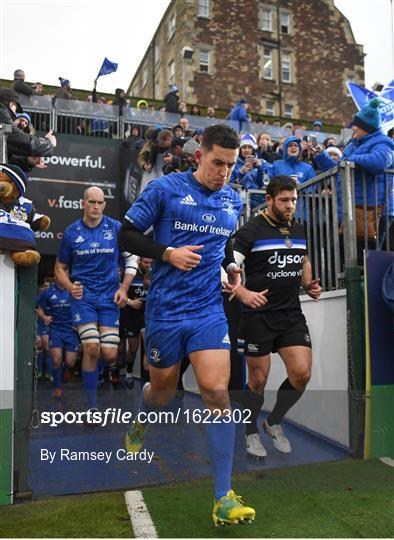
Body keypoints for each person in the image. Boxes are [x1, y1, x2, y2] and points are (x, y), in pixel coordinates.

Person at [118, 124, 255, 526]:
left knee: (215, 390)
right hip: (164, 313)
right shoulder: (165, 189)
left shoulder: (232, 199)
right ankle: (140, 417)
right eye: (217, 163)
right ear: (199, 156)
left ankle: (222, 498)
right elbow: (126, 235)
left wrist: (232, 267)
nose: (224, 173)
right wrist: (167, 253)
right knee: (162, 393)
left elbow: (225, 241)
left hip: (208, 312)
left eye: (230, 166)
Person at [233, 175, 322, 458]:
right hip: (258, 316)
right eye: (284, 200)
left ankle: (273, 421)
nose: (290, 205)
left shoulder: (297, 227)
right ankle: (249, 432)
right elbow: (229, 269)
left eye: (294, 200)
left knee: (301, 374)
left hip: (290, 315)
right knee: (257, 382)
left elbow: (303, 259)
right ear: (269, 200)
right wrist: (243, 293)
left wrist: (308, 284)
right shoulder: (251, 230)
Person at [54, 186, 138, 418]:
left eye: (100, 203)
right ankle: (92, 406)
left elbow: (132, 258)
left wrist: (124, 288)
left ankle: (96, 370)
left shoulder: (115, 228)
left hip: (110, 298)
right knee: (92, 348)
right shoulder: (71, 232)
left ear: (104, 205)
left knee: (110, 355)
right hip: (84, 299)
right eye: (92, 202)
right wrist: (71, 287)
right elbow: (59, 268)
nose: (96, 207)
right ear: (83, 204)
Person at [36, 277, 79, 398]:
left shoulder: (74, 290)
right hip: (55, 330)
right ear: (57, 276)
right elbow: (38, 308)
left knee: (70, 363)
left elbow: (83, 306)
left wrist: (79, 322)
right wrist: (44, 318)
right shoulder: (48, 292)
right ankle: (57, 387)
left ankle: (64, 370)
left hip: (71, 331)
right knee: (56, 360)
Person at [119, 257, 152, 389]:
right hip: (130, 315)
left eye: (150, 263)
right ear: (139, 262)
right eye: (146, 262)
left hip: (146, 315)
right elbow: (120, 293)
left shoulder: (153, 274)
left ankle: (149, 382)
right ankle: (129, 372)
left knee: (148, 345)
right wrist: (131, 302)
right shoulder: (131, 273)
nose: (148, 265)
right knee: (133, 348)